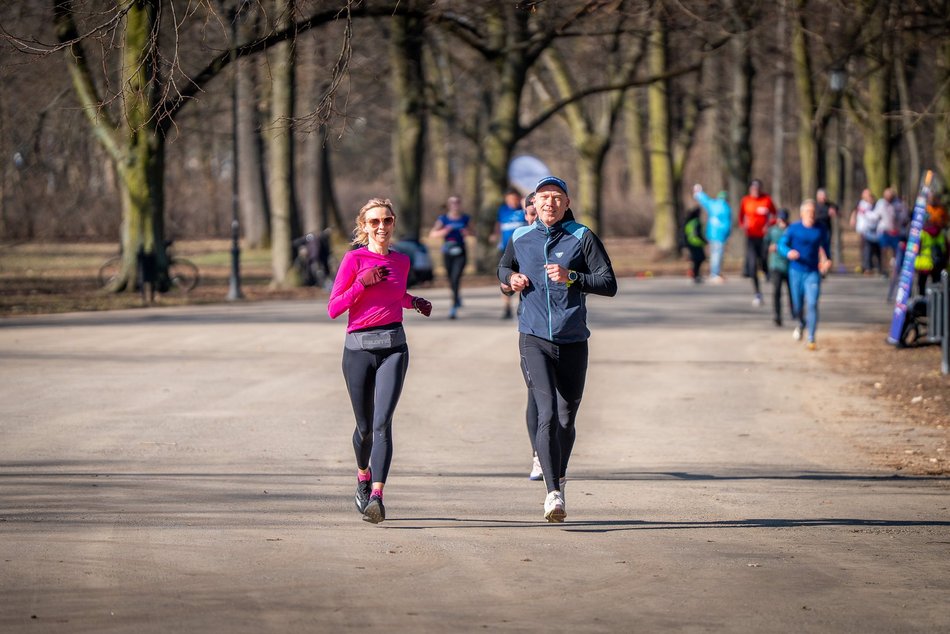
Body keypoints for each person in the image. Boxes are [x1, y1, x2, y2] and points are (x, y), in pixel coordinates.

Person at [498, 176, 617, 522]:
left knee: (566, 419)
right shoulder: (520, 237)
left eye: (556, 197)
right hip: (533, 337)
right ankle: (553, 493)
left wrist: (572, 277)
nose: (549, 202)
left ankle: (559, 480)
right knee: (547, 413)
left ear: (566, 203)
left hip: (573, 340)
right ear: (533, 203)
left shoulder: (582, 236)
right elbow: (504, 267)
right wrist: (510, 281)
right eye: (543, 197)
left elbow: (608, 283)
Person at [327, 198, 432, 524]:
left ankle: (376, 495)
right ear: (364, 226)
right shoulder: (354, 259)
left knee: (382, 424)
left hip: (393, 347)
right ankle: (362, 474)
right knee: (365, 428)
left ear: (393, 223)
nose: (381, 227)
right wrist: (361, 282)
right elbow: (334, 308)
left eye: (386, 220)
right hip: (358, 349)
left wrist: (413, 301)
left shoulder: (401, 261)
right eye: (374, 222)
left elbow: (393, 294)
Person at [500, 192, 543, 480]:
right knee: (536, 394)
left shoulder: (569, 238)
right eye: (530, 214)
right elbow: (504, 275)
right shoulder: (520, 238)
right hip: (530, 328)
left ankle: (553, 449)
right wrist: (510, 283)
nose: (535, 219)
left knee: (561, 401)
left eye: (538, 213)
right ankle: (539, 455)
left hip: (564, 331)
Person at [779, 199, 832, 350]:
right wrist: (788, 252)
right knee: (797, 306)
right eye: (808, 212)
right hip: (795, 271)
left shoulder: (821, 229)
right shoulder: (793, 229)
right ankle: (801, 323)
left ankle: (811, 338)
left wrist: (827, 261)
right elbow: (781, 245)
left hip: (812, 272)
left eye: (813, 212)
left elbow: (826, 249)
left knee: (813, 303)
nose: (812, 215)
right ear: (802, 213)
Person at [429, 195, 472, 319]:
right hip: (448, 251)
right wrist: (444, 231)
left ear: (460, 204)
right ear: (449, 205)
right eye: (452, 202)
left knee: (456, 276)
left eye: (457, 202)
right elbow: (432, 234)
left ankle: (453, 305)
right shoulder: (443, 219)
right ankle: (456, 295)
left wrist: (467, 232)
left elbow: (474, 232)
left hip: (461, 251)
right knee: (450, 277)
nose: (455, 205)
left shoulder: (465, 218)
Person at [738, 178, 777, 305]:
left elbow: (775, 215)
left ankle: (766, 272)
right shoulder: (746, 200)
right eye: (753, 188)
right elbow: (740, 216)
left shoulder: (766, 199)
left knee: (764, 259)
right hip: (751, 237)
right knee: (752, 265)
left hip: (764, 236)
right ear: (750, 189)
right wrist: (743, 225)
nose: (755, 191)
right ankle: (757, 293)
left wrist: (769, 225)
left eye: (757, 188)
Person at [493, 187, 527, 319]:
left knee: (522, 278)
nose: (512, 201)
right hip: (506, 250)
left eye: (515, 198)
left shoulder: (523, 209)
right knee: (505, 279)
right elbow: (498, 225)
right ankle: (506, 308)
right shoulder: (502, 210)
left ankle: (522, 305)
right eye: (510, 199)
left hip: (522, 250)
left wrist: (524, 203)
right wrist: (495, 235)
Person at [692, 185, 732, 283]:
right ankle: (715, 274)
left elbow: (705, 201)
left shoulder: (713, 204)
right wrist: (727, 235)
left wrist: (698, 193)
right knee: (717, 255)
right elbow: (727, 224)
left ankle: (715, 273)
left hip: (711, 234)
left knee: (714, 254)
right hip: (720, 235)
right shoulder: (726, 208)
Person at [915, 193, 948, 296]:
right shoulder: (941, 233)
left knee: (921, 284)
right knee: (936, 285)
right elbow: (947, 249)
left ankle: (922, 301)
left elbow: (916, 247)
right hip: (938, 263)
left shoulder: (922, 233)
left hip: (923, 263)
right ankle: (935, 304)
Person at [765, 208, 792, 326]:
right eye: (781, 219)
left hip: (790, 266)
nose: (782, 222)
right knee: (776, 291)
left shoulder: (792, 230)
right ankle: (777, 314)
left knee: (792, 291)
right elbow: (764, 245)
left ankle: (794, 311)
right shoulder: (772, 231)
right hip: (776, 265)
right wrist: (769, 248)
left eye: (784, 219)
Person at [851, 188, 881, 274]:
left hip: (872, 229)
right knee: (865, 248)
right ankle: (866, 266)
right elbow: (855, 210)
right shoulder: (860, 203)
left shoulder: (874, 204)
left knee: (872, 248)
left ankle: (873, 266)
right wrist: (853, 218)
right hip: (862, 229)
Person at [682, 206, 707, 283]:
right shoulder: (696, 222)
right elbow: (698, 233)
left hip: (690, 242)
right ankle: (695, 274)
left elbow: (685, 233)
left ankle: (695, 273)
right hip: (696, 243)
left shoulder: (689, 222)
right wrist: (704, 241)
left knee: (696, 260)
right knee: (699, 259)